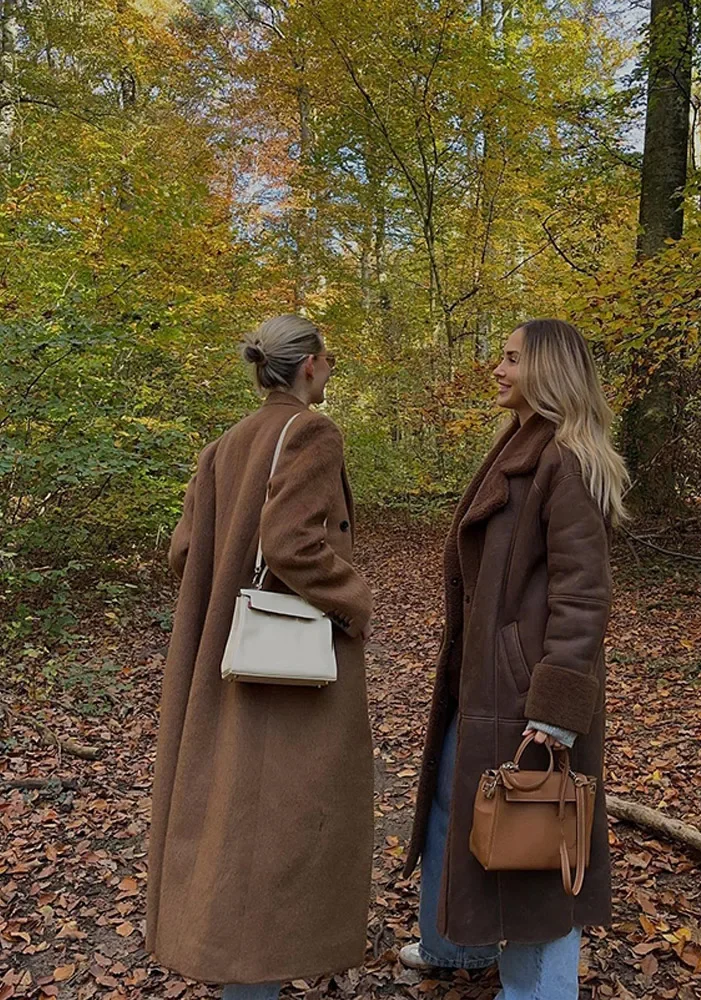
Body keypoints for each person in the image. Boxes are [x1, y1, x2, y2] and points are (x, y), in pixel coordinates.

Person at [146, 315, 374, 1000]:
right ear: (307, 366)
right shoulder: (310, 432)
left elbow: (183, 552)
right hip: (283, 668)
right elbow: (291, 544)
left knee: (230, 815)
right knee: (276, 826)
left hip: (218, 657)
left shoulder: (222, 446)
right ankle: (254, 980)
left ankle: (233, 970)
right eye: (327, 358)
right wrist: (353, 598)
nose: (330, 369)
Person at [400, 319, 629, 1000]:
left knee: (539, 841)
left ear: (548, 371)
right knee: (457, 805)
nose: (496, 370)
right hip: (487, 686)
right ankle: (455, 945)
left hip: (532, 695)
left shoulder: (566, 458)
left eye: (509, 359)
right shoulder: (523, 443)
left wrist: (555, 713)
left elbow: (584, 595)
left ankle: (541, 993)